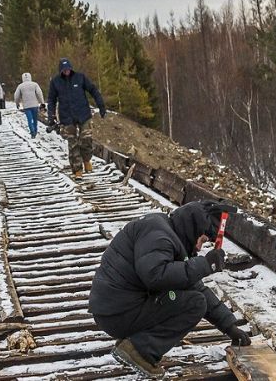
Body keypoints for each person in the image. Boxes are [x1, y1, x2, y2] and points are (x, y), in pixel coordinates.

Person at [89, 201, 250, 378]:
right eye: (202, 240)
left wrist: (229, 326)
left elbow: (193, 285)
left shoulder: (165, 232)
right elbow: (155, 276)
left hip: (116, 309)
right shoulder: (158, 235)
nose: (199, 247)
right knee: (194, 304)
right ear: (193, 228)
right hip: (119, 312)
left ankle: (138, 344)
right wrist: (204, 265)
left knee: (194, 296)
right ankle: (139, 352)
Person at [47, 58, 105, 178]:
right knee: (73, 143)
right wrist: (51, 115)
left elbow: (93, 90)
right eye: (64, 70)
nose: (66, 71)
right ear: (61, 70)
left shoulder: (80, 77)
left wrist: (101, 105)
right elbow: (51, 100)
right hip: (66, 116)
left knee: (86, 139)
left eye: (68, 69)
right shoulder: (55, 82)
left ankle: (87, 160)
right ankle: (77, 169)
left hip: (83, 113)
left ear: (71, 68)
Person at [14, 72, 45, 138]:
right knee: (35, 119)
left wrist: (17, 103)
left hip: (26, 106)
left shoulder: (20, 86)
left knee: (29, 119)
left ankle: (32, 132)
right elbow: (39, 93)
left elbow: (16, 96)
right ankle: (35, 130)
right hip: (35, 105)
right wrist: (42, 102)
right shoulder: (35, 84)